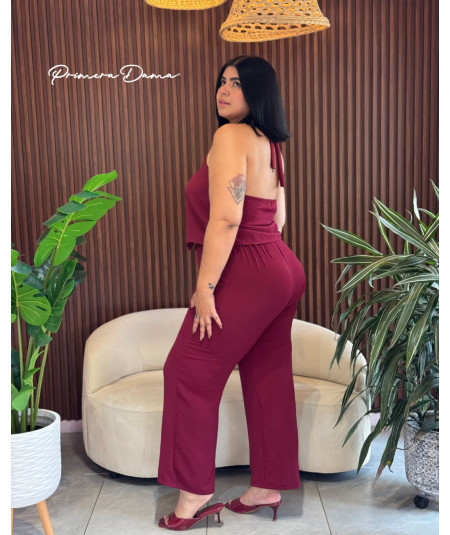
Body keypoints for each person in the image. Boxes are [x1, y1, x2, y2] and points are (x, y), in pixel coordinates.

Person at [157, 55, 306, 531]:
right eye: (222, 81)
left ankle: (195, 494)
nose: (224, 90)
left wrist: (206, 288)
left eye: (237, 84)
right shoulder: (270, 143)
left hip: (249, 268)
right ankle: (267, 486)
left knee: (187, 372)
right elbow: (279, 217)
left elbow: (226, 218)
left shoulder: (230, 136)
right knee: (267, 375)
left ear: (258, 92)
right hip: (282, 266)